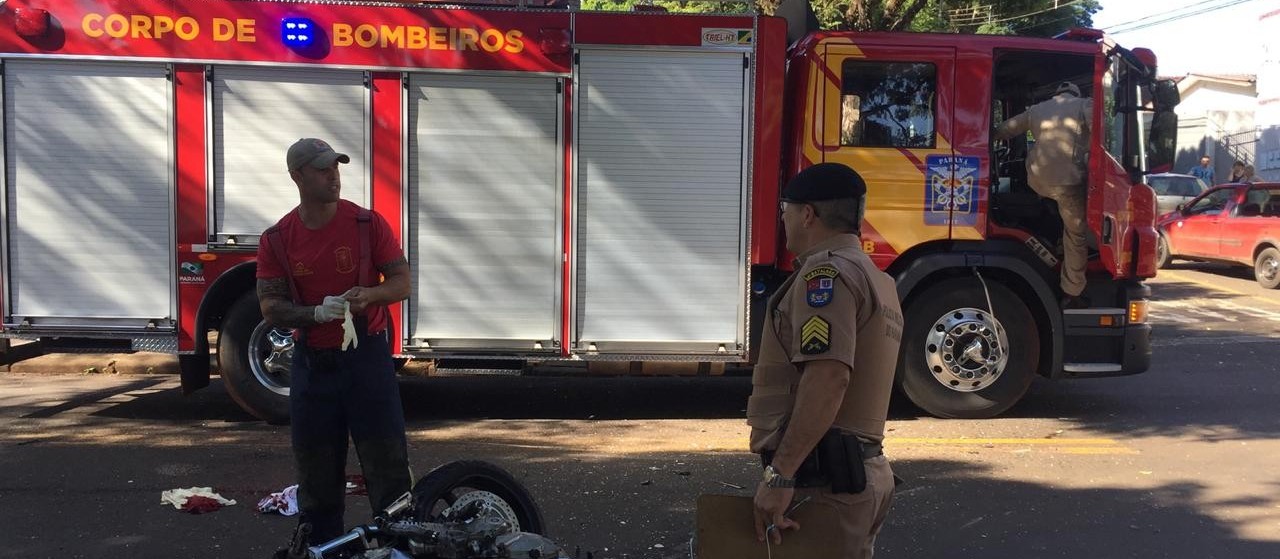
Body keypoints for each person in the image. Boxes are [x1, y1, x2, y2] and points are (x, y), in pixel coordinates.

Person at [256, 138, 413, 545]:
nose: (333, 176)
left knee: (388, 469)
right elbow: (271, 307)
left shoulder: (366, 223)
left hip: (367, 360)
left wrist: (370, 294)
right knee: (317, 475)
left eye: (336, 167)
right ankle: (324, 549)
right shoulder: (277, 239)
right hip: (314, 365)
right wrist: (314, 314)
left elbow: (402, 282)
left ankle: (397, 549)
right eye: (322, 169)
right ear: (297, 177)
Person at [748, 163, 903, 558]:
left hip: (827, 484)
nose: (783, 220)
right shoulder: (878, 280)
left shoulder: (826, 276)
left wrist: (780, 477)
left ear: (807, 214)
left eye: (785, 210)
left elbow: (829, 378)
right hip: (861, 475)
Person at [994, 81, 1093, 309]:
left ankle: (1052, 242)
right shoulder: (1084, 105)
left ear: (1056, 94)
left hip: (1037, 182)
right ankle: (1072, 290)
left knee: (1052, 205)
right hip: (1069, 183)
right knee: (1076, 234)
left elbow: (1005, 129)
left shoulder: (1037, 110)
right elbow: (1100, 136)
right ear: (1076, 93)